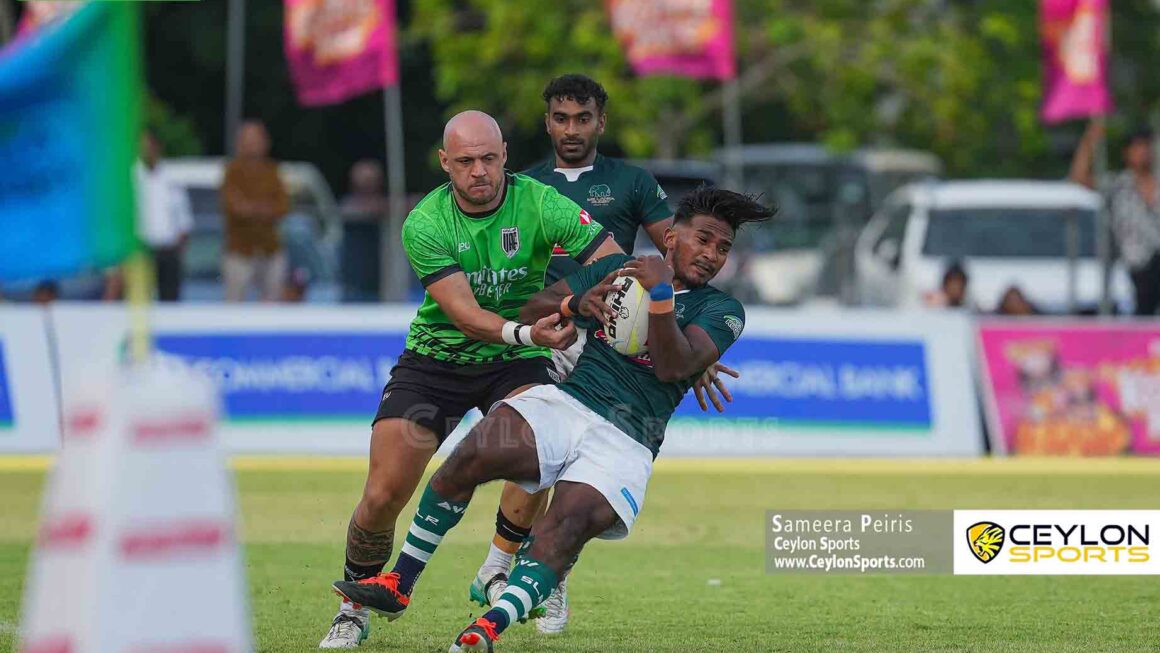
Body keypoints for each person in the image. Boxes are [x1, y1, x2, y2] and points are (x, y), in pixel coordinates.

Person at [331, 187, 774, 652]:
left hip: (628, 439)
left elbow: (671, 366)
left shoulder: (723, 310)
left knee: (565, 526)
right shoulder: (618, 271)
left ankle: (487, 628)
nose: (711, 255)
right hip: (569, 404)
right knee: (475, 451)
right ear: (671, 237)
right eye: (703, 239)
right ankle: (399, 582)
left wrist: (660, 293)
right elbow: (531, 310)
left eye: (722, 248)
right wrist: (574, 305)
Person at [317, 110, 621, 649]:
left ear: (504, 153)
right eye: (464, 162)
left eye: (487, 158)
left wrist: (581, 301)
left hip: (513, 364)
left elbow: (612, 261)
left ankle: (498, 566)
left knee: (539, 450)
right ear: (445, 164)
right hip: (436, 364)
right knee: (385, 492)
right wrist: (534, 331)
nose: (478, 171)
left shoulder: (540, 201)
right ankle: (354, 604)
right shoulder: (426, 223)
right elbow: (464, 316)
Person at [468, 74, 739, 634]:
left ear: (600, 122)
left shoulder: (632, 181)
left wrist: (695, 348)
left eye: (583, 118)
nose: (572, 129)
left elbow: (680, 257)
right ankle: (501, 560)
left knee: (575, 465)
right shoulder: (521, 185)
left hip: (614, 338)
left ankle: (545, 572)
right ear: (547, 123)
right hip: (551, 326)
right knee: (534, 439)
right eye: (561, 118)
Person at [1070, 122, 1160, 315]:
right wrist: (1090, 140)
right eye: (1138, 148)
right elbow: (1079, 177)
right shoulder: (1118, 185)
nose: (1143, 152)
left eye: (1147, 147)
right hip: (1139, 266)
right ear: (1127, 153)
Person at [219, 120, 289, 302]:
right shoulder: (231, 171)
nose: (252, 145)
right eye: (248, 140)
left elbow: (283, 207)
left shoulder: (273, 171)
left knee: (274, 301)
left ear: (266, 143)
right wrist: (263, 209)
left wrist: (253, 209)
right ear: (239, 144)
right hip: (239, 249)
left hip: (270, 248)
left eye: (256, 139)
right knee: (234, 302)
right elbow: (233, 206)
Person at [136, 129, 193, 301]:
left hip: (168, 251)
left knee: (170, 302)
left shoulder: (171, 178)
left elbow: (184, 219)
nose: (146, 151)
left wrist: (178, 248)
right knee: (140, 303)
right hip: (141, 252)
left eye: (150, 146)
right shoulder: (129, 179)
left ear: (158, 148)